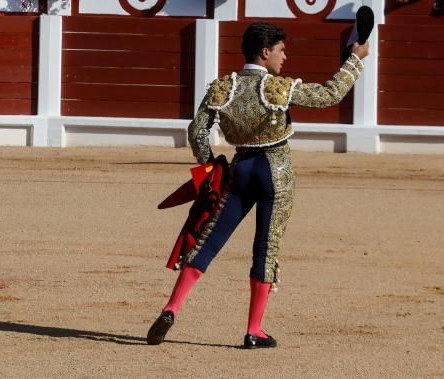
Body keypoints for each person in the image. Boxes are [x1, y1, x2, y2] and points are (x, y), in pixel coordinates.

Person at [147, 21, 367, 349]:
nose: (285, 56)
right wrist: (355, 60)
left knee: (208, 239)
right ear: (265, 52)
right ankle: (254, 330)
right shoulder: (276, 87)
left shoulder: (223, 87)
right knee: (266, 247)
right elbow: (329, 95)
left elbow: (196, 131)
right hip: (274, 170)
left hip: (240, 169)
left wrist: (211, 166)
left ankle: (171, 307)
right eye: (281, 50)